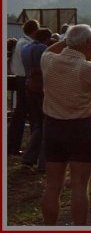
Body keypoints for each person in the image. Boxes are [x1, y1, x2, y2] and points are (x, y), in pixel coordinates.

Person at [40, 25, 91, 226]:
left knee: (52, 185)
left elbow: (47, 50)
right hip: (79, 128)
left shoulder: (49, 61)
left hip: (52, 127)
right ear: (88, 44)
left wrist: (68, 38)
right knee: (79, 186)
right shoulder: (87, 68)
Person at [20, 28, 52, 172]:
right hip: (41, 88)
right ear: (46, 38)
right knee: (46, 124)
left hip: (29, 86)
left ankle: (29, 157)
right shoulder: (43, 49)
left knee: (37, 124)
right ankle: (43, 162)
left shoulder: (26, 48)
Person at [8, 19, 40, 156]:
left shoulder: (21, 42)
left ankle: (13, 146)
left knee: (20, 114)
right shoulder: (27, 44)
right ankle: (16, 146)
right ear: (35, 31)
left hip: (19, 78)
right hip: (24, 79)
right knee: (25, 114)